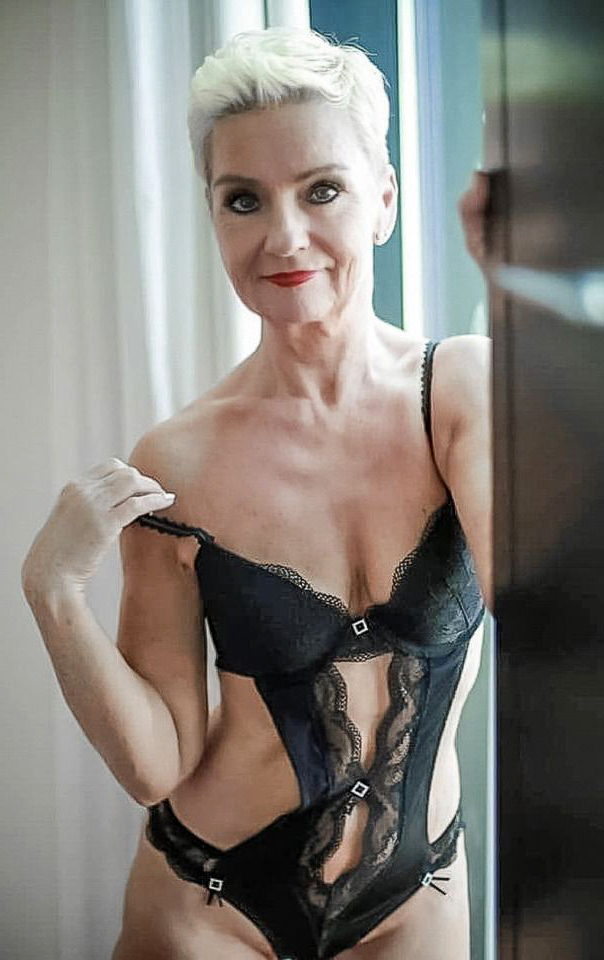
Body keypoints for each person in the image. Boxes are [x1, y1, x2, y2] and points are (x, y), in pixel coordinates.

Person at [21, 26, 493, 960]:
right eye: (244, 199)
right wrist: (53, 594)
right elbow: (156, 762)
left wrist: (521, 283)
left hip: (417, 897)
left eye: (322, 190)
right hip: (209, 907)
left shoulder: (460, 392)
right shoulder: (178, 461)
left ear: (385, 200)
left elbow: (558, 607)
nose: (283, 237)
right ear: (213, 216)